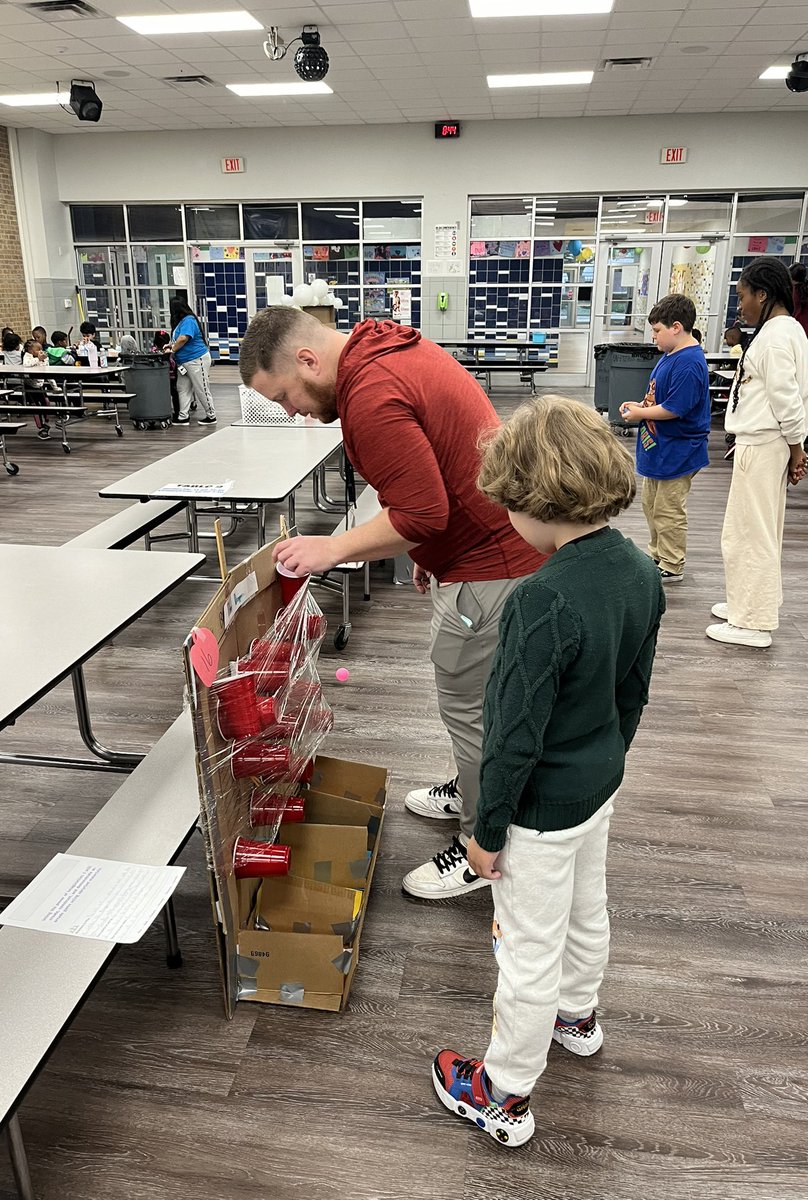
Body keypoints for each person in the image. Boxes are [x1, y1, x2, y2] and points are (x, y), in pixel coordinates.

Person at [238, 306, 545, 900]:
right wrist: (429, 553)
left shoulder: (370, 393)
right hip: (490, 548)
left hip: (490, 567)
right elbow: (432, 481)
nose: (290, 411)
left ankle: (483, 845)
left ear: (308, 359)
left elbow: (423, 513)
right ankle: (472, 785)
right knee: (480, 701)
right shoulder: (381, 349)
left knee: (471, 709)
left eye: (285, 395)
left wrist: (333, 548)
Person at [431, 395, 664, 1148]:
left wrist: (485, 831)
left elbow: (509, 738)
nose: (507, 523)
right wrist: (611, 756)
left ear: (537, 503)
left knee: (526, 946)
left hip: (538, 810)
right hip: (600, 783)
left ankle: (504, 1093)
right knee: (588, 908)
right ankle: (579, 1015)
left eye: (509, 509)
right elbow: (634, 687)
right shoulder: (639, 568)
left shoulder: (540, 600)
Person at [708, 257, 808, 649]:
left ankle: (752, 622)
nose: (740, 305)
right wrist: (794, 448)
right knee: (754, 531)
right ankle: (747, 605)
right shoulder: (787, 332)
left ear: (763, 294)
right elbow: (802, 395)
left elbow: (788, 400)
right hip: (769, 443)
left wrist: (796, 449)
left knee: (749, 535)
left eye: (742, 296)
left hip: (764, 442)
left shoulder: (775, 337)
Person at [619, 294, 710, 585]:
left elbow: (674, 409)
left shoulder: (689, 363)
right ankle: (658, 554)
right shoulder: (671, 356)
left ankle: (672, 562)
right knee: (652, 505)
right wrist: (641, 406)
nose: (654, 336)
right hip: (661, 449)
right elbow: (661, 399)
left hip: (679, 450)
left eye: (657, 330)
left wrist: (639, 414)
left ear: (676, 327)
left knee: (668, 510)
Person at [165, 298, 216, 425]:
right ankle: (183, 416)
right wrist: (170, 344)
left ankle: (211, 415)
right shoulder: (181, 323)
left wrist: (172, 349)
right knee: (182, 388)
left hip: (196, 359)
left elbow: (183, 338)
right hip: (184, 362)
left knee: (201, 388)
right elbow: (178, 339)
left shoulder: (189, 320)